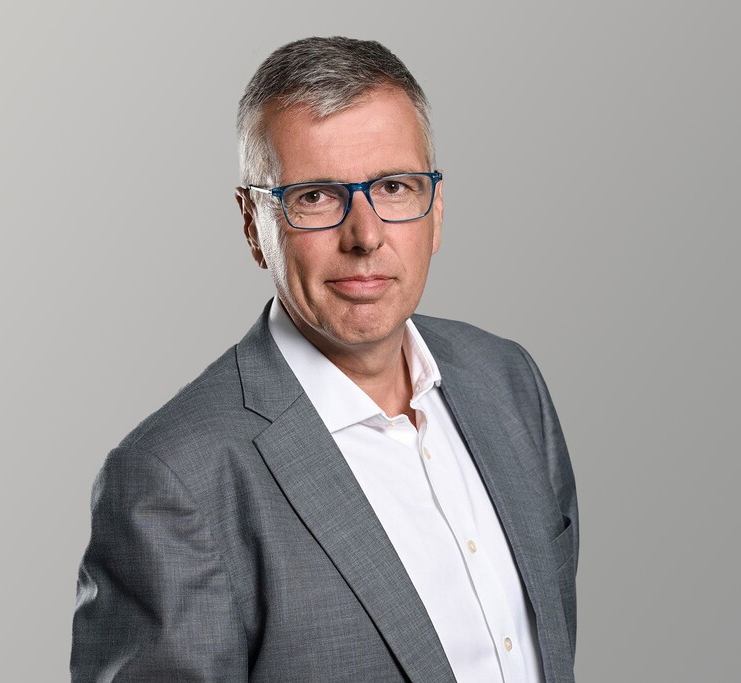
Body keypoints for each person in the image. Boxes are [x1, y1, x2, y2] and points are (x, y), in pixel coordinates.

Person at [71, 36, 578, 683]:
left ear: (436, 210)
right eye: (315, 197)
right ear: (253, 224)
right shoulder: (173, 483)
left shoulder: (508, 383)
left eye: (394, 187)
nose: (365, 236)